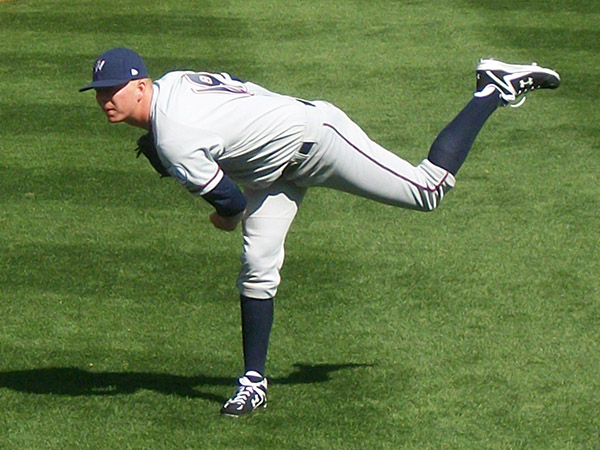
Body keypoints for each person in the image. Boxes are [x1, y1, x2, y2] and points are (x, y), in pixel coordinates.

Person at [80, 47, 560, 417]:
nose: (104, 100)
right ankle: (253, 381)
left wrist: (220, 216)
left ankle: (493, 87)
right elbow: (239, 93)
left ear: (140, 86)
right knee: (257, 268)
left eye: (111, 90)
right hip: (271, 169)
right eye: (99, 91)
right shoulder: (176, 82)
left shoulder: (175, 138)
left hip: (318, 140)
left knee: (426, 190)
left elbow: (227, 204)